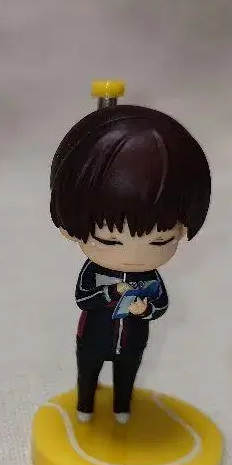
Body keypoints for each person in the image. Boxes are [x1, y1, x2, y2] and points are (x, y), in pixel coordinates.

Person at [50, 105, 212, 424]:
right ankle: (85, 405)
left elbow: (161, 303)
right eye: (110, 241)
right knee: (88, 372)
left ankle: (122, 407)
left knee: (127, 375)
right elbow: (83, 299)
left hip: (134, 338)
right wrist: (112, 293)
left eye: (160, 241)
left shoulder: (151, 276)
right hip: (93, 336)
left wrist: (146, 309)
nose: (134, 255)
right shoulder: (93, 271)